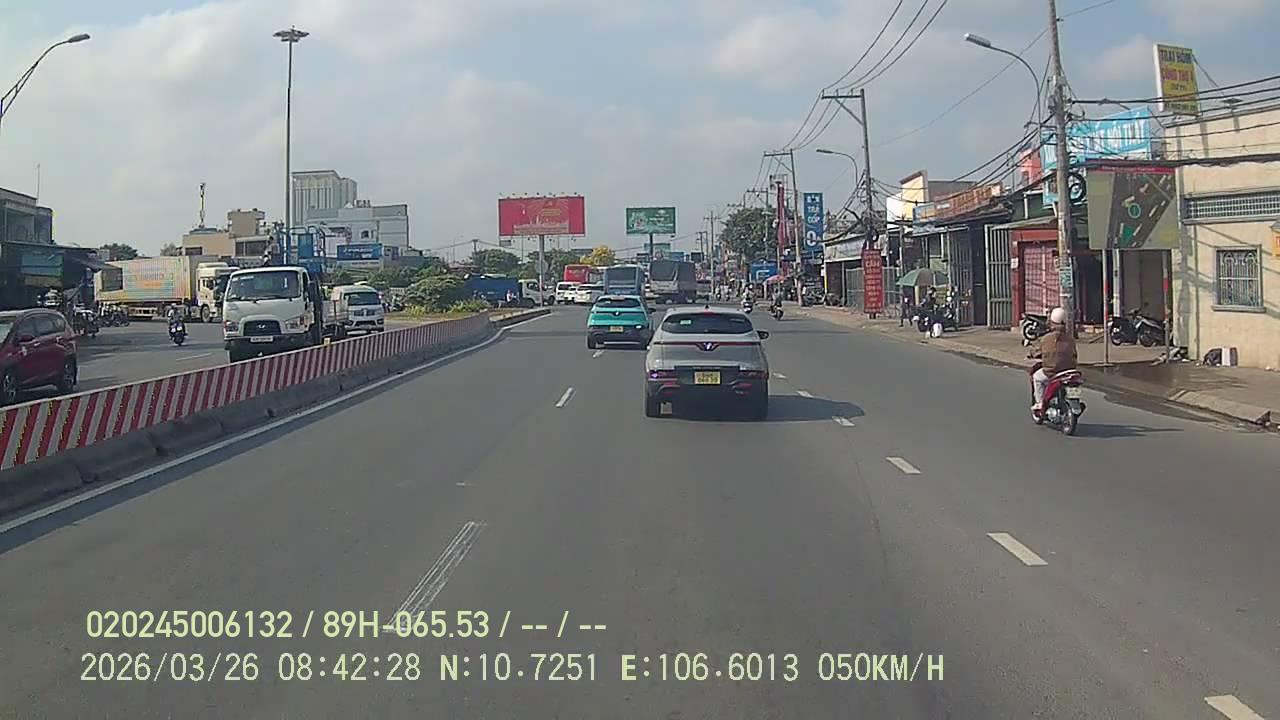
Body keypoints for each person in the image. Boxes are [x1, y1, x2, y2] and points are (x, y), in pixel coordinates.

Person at [1031, 306, 1077, 410]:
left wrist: (1032, 354)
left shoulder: (1046, 338)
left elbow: (1038, 351)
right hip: (1069, 371)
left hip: (1052, 372)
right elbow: (1074, 354)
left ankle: (1039, 403)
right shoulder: (1070, 339)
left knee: (1037, 378)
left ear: (1051, 322)